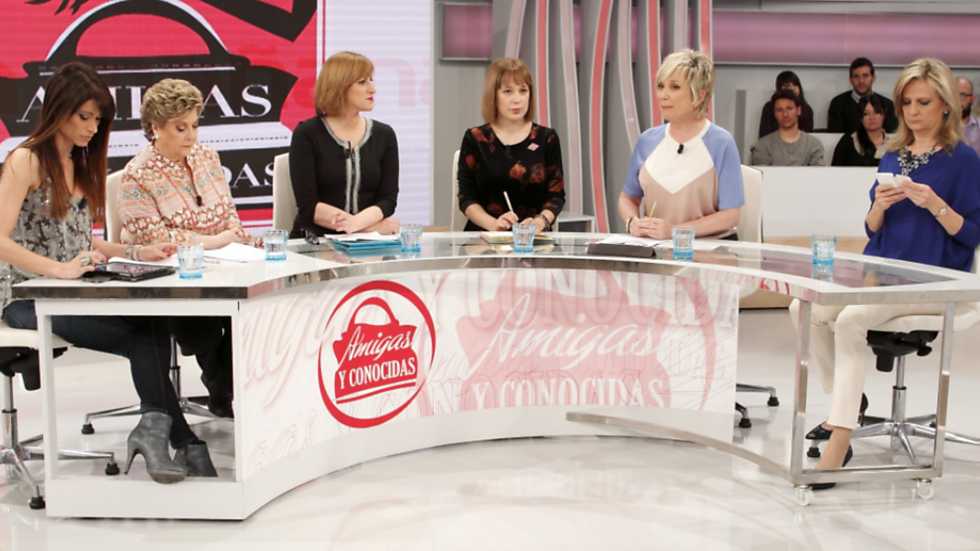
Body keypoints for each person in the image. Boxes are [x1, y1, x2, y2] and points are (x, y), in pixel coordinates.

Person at [0, 63, 215, 483]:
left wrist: (135, 252)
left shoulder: (79, 162)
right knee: (140, 336)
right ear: (58, 110)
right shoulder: (26, 160)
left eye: (98, 119)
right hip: (25, 298)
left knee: (152, 321)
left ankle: (162, 434)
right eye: (85, 116)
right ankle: (182, 440)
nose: (92, 128)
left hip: (73, 290)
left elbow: (82, 242)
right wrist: (58, 270)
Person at [790, 57, 980, 489]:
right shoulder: (893, 155)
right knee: (803, 309)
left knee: (851, 320)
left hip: (935, 278)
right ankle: (850, 404)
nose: (913, 111)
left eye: (923, 102)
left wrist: (934, 203)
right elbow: (871, 228)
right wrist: (878, 206)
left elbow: (972, 234)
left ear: (946, 105)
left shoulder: (964, 161)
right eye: (907, 102)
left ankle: (839, 440)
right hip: (881, 270)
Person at [118, 78, 251, 419]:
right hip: (171, 276)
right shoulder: (137, 175)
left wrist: (226, 237)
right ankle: (225, 387)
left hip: (225, 262)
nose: (191, 136)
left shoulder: (208, 157)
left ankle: (227, 387)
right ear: (155, 127)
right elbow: (158, 242)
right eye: (181, 128)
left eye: (194, 125)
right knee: (202, 315)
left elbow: (229, 215)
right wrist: (218, 240)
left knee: (258, 306)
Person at [619, 49, 743, 239]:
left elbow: (731, 215)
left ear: (699, 95)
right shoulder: (646, 141)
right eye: (661, 86)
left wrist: (675, 231)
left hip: (708, 249)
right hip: (657, 249)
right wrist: (631, 222)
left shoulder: (722, 143)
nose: (663, 95)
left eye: (674, 87)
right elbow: (628, 198)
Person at [289, 51, 399, 238]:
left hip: (368, 242)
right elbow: (308, 206)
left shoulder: (384, 134)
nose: (372, 89)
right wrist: (368, 227)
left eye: (371, 80)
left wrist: (357, 224)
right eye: (362, 82)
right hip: (316, 240)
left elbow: (387, 200)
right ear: (339, 86)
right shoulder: (306, 134)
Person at [456, 58, 565, 232]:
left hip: (533, 237)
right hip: (486, 235)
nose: (517, 99)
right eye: (508, 91)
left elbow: (556, 195)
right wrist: (494, 225)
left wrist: (540, 222)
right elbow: (466, 198)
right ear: (493, 95)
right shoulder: (475, 138)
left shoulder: (547, 138)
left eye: (523, 91)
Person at [750, 90, 825, 166]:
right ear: (774, 113)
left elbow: (819, 173)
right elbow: (762, 172)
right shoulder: (762, 146)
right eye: (779, 110)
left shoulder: (814, 145)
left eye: (789, 108)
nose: (785, 114)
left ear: (798, 110)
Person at [827, 57, 899, 134]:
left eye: (865, 76)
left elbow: (892, 137)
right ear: (850, 80)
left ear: (873, 78)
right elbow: (834, 137)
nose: (861, 81)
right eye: (856, 76)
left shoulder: (887, 105)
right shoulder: (837, 104)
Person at [831, 95, 889, 166]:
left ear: (884, 115)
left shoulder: (894, 143)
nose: (872, 117)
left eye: (876, 112)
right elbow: (834, 170)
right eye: (866, 114)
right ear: (860, 118)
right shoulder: (847, 142)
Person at [758, 70, 814, 137]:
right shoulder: (769, 107)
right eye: (787, 86)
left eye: (795, 85)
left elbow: (808, 136)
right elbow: (764, 135)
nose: (793, 88)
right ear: (779, 89)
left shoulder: (807, 109)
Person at [958, 76, 980, 155]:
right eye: (953, 94)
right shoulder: (939, 127)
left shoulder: (978, 126)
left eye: (962, 95)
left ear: (972, 99)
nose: (957, 100)